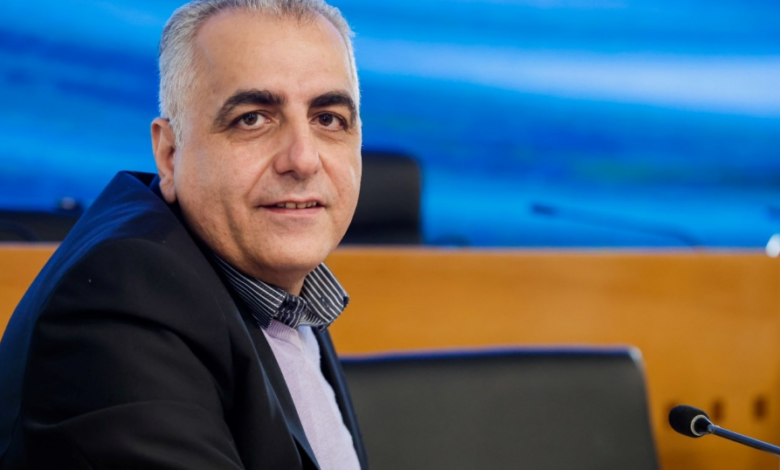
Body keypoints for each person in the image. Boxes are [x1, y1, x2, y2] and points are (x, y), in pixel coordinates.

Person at [0, 0, 367, 468]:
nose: (303, 159)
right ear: (170, 155)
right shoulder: (124, 300)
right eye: (252, 118)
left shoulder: (283, 290)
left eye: (328, 119)